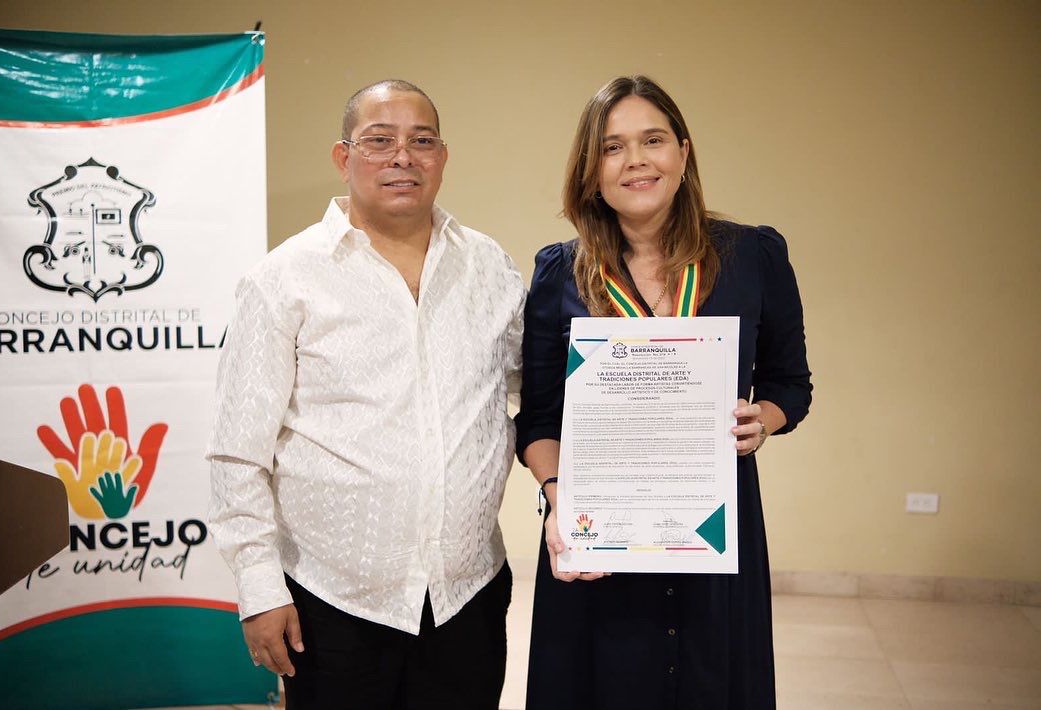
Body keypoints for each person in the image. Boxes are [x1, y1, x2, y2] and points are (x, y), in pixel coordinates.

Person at [207, 79, 524, 709]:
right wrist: (259, 587)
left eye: (421, 140)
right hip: (333, 605)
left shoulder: (487, 265)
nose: (402, 156)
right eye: (379, 141)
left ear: (442, 157)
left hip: (467, 596)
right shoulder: (284, 279)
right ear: (343, 157)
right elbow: (237, 453)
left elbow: (529, 386)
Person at [515, 75, 812, 710]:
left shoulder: (753, 257)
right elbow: (538, 419)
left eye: (652, 140)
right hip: (595, 532)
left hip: (710, 525)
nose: (636, 160)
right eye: (613, 146)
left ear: (683, 150)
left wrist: (764, 418)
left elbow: (792, 384)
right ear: (591, 169)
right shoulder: (558, 274)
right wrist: (559, 499)